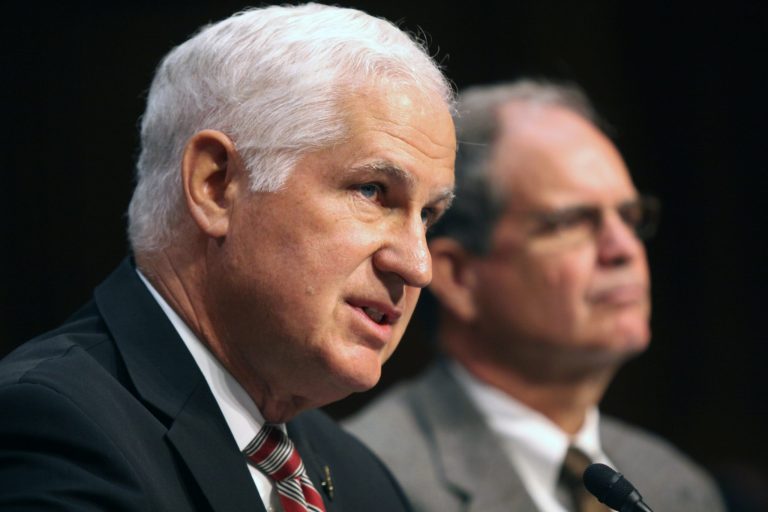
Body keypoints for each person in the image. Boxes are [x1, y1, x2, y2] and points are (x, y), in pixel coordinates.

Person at [0, 4, 457, 511]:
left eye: (428, 216)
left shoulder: (364, 480)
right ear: (216, 185)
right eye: (372, 191)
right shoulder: (56, 429)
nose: (418, 266)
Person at [345, 80, 725, 512]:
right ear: (458, 276)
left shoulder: (677, 486)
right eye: (572, 222)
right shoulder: (372, 480)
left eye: (629, 216)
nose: (623, 249)